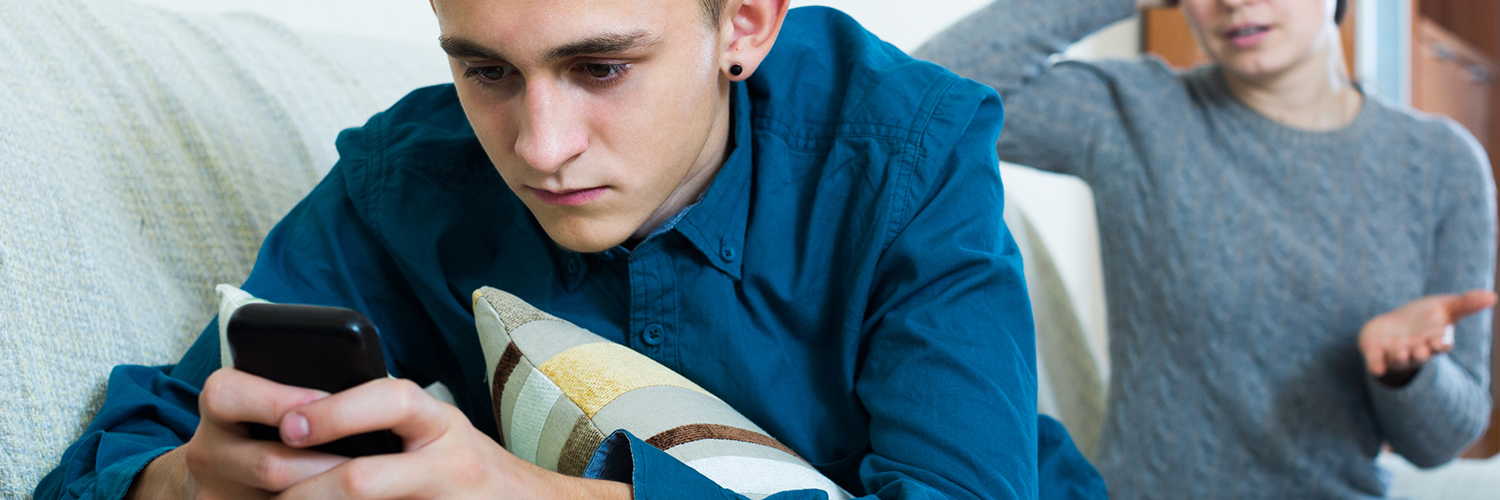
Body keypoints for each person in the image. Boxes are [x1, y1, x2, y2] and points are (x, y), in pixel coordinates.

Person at [36, 0, 1109, 499]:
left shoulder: (906, 148)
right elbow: (123, 450)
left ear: (744, 23)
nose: (539, 150)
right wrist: (188, 482)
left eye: (601, 68)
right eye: (488, 72)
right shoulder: (411, 179)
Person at [916, 0, 1497, 498]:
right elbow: (929, 93)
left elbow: (1443, 441)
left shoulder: (1443, 164)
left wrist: (1410, 372)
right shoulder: (1135, 113)